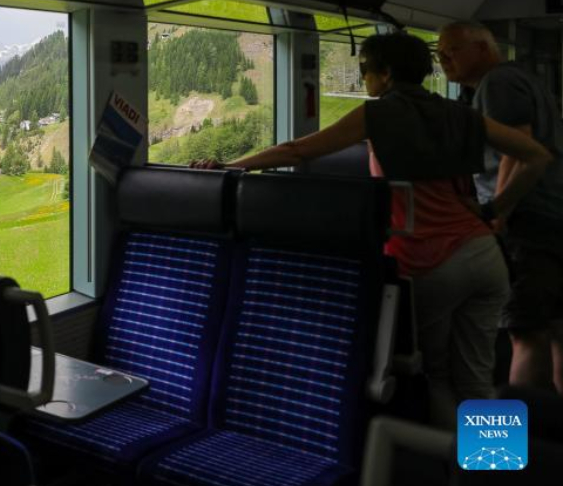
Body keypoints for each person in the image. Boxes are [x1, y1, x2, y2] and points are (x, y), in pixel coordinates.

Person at [191, 31, 552, 426]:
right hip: (484, 257)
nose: (364, 78)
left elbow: (297, 150)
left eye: (365, 69)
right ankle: (498, 471)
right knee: (478, 380)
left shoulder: (377, 115)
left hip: (430, 263)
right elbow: (535, 156)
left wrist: (230, 168)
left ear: (386, 74)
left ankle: (463, 473)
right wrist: (492, 209)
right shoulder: (462, 114)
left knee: (439, 378)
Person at [437, 21, 563, 394]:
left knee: (524, 334)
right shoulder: (514, 81)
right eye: (439, 53)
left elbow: (517, 151)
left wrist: (496, 212)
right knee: (555, 329)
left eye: (452, 50)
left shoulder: (498, 84)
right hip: (550, 217)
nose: (444, 60)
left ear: (484, 49)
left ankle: (510, 451)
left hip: (527, 220)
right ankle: (551, 432)